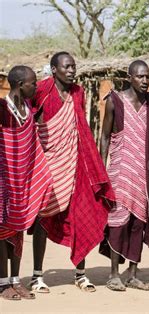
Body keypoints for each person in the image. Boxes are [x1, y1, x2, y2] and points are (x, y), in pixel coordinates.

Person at [29, 51, 115, 293]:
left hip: (75, 164)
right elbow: (29, 121)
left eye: (73, 66)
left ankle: (81, 273)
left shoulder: (78, 92)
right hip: (46, 166)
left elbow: (81, 127)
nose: (71, 70)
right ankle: (37, 275)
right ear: (54, 69)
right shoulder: (41, 90)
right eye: (66, 67)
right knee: (42, 219)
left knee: (82, 213)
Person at [99, 60, 149, 291]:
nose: (145, 81)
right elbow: (105, 136)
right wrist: (102, 169)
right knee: (118, 220)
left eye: (148, 77)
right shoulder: (115, 101)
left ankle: (132, 273)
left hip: (145, 172)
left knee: (139, 222)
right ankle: (113, 274)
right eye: (140, 76)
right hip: (120, 170)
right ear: (130, 77)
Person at [0, 66, 52, 301]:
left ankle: (15, 280)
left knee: (19, 229)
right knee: (2, 230)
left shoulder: (28, 110)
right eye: (33, 83)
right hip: (4, 178)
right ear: (20, 85)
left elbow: (30, 145)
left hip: (23, 180)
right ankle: (2, 284)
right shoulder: (2, 108)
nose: (36, 86)